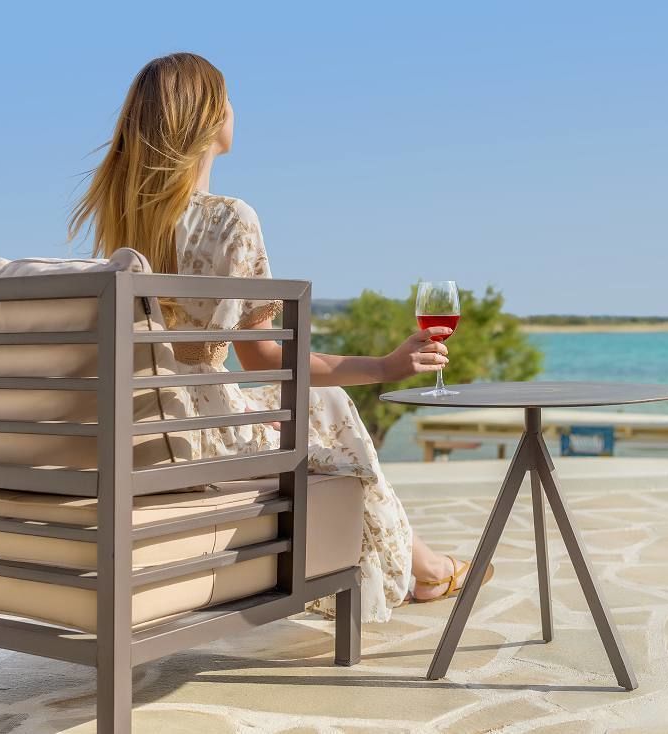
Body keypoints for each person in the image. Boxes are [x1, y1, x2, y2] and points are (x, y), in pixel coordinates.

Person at [69, 52, 492, 622]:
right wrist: (385, 367)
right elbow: (264, 357)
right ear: (208, 119)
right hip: (202, 434)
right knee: (327, 406)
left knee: (319, 405)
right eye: (228, 100)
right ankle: (429, 569)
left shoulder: (122, 221)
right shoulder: (231, 219)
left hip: (142, 423)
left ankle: (429, 566)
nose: (234, 110)